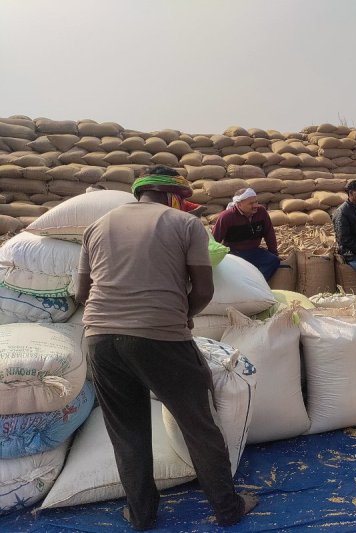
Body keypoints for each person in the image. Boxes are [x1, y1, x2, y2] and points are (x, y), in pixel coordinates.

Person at [75, 168, 258, 530]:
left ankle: (142, 515)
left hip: (101, 341)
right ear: (175, 196)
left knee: (127, 432)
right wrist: (181, 315)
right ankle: (227, 508)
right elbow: (203, 291)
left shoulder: (96, 226)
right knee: (199, 424)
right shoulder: (184, 224)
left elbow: (81, 294)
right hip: (161, 338)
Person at [212, 187, 280, 281]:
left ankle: (258, 283)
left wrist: (274, 252)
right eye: (251, 203)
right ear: (239, 204)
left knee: (273, 261)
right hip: (234, 253)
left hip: (254, 251)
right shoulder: (226, 217)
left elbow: (269, 233)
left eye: (256, 202)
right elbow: (215, 239)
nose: (255, 205)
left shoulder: (261, 212)